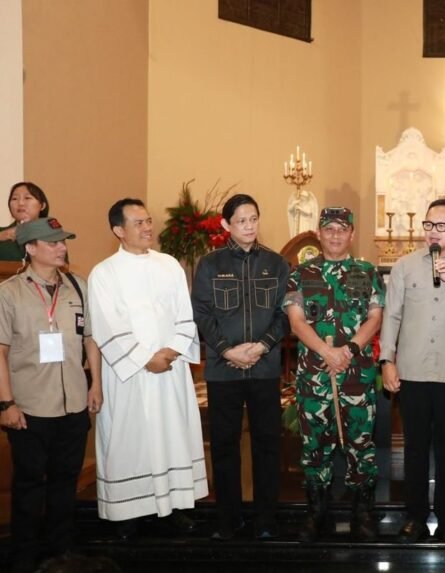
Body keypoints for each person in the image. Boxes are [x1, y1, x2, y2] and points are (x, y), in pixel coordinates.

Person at [88, 198, 207, 539]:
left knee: (172, 436)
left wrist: (169, 352)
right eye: (138, 222)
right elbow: (107, 325)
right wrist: (145, 359)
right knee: (131, 442)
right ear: (118, 230)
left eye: (149, 220)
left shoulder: (169, 265)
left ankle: (173, 507)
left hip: (169, 372)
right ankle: (128, 513)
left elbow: (185, 316)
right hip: (131, 377)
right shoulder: (104, 273)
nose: (147, 227)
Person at [380, 198, 445, 545]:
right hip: (411, 370)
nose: (433, 233)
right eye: (429, 225)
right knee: (414, 447)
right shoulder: (404, 266)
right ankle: (413, 515)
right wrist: (387, 360)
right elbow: (391, 316)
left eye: (441, 226)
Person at [0, 218, 101, 573]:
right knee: (29, 486)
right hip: (29, 407)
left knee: (64, 482)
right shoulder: (9, 292)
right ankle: (24, 555)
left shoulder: (78, 286)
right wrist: (7, 404)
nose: (61, 247)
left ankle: (61, 549)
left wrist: (96, 385)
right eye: (53, 242)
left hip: (72, 404)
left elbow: (90, 339)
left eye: (63, 242)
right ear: (29, 248)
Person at [284, 207, 385, 543]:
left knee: (360, 444)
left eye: (342, 229)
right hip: (314, 376)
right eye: (329, 229)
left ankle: (362, 512)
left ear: (352, 234)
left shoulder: (367, 272)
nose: (336, 235)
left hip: (356, 376)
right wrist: (327, 352)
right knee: (316, 447)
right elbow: (296, 322)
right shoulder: (300, 274)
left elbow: (375, 317)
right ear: (320, 233)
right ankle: (317, 512)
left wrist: (350, 350)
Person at [191, 194, 289, 541]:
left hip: (264, 370)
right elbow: (201, 313)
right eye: (241, 221)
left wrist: (262, 346)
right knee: (224, 446)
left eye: (254, 219)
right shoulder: (210, 265)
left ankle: (266, 520)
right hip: (224, 370)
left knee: (267, 445)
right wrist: (226, 350)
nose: (249, 226)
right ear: (226, 225)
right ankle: (228, 521)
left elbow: (285, 315)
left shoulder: (277, 264)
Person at [0, 181, 50, 261]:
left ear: (42, 206)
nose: (20, 203)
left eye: (27, 198)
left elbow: (62, 268)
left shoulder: (52, 235)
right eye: (14, 198)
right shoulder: (1, 233)